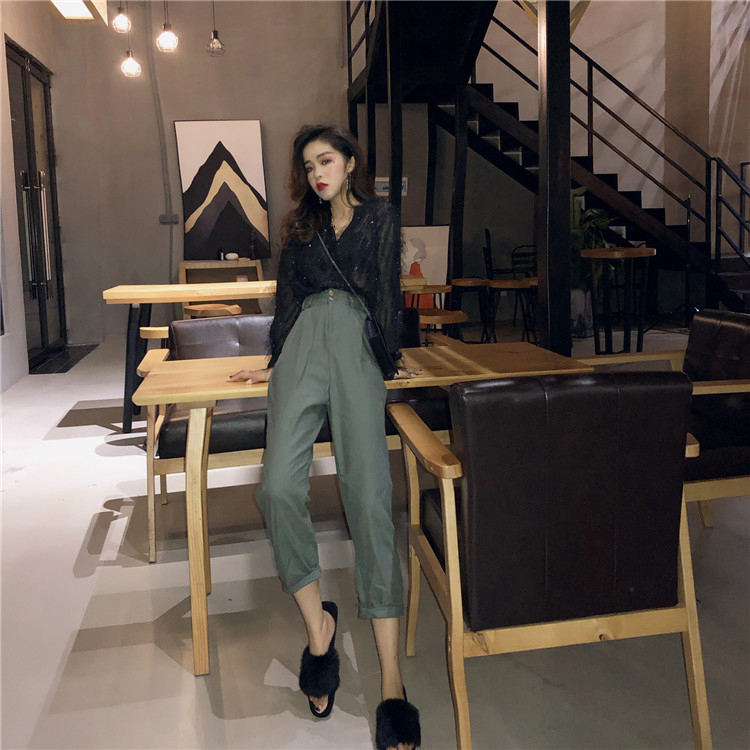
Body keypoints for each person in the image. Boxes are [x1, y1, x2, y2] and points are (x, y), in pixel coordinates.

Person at [229, 124, 421, 750]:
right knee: (277, 489)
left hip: (357, 344)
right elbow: (287, 300)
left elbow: (387, 293)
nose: (317, 173)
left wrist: (392, 358)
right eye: (309, 165)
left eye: (327, 160)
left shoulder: (379, 218)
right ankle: (320, 630)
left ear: (350, 162)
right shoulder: (299, 229)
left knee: (369, 500)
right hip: (303, 346)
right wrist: (273, 358)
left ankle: (390, 678)